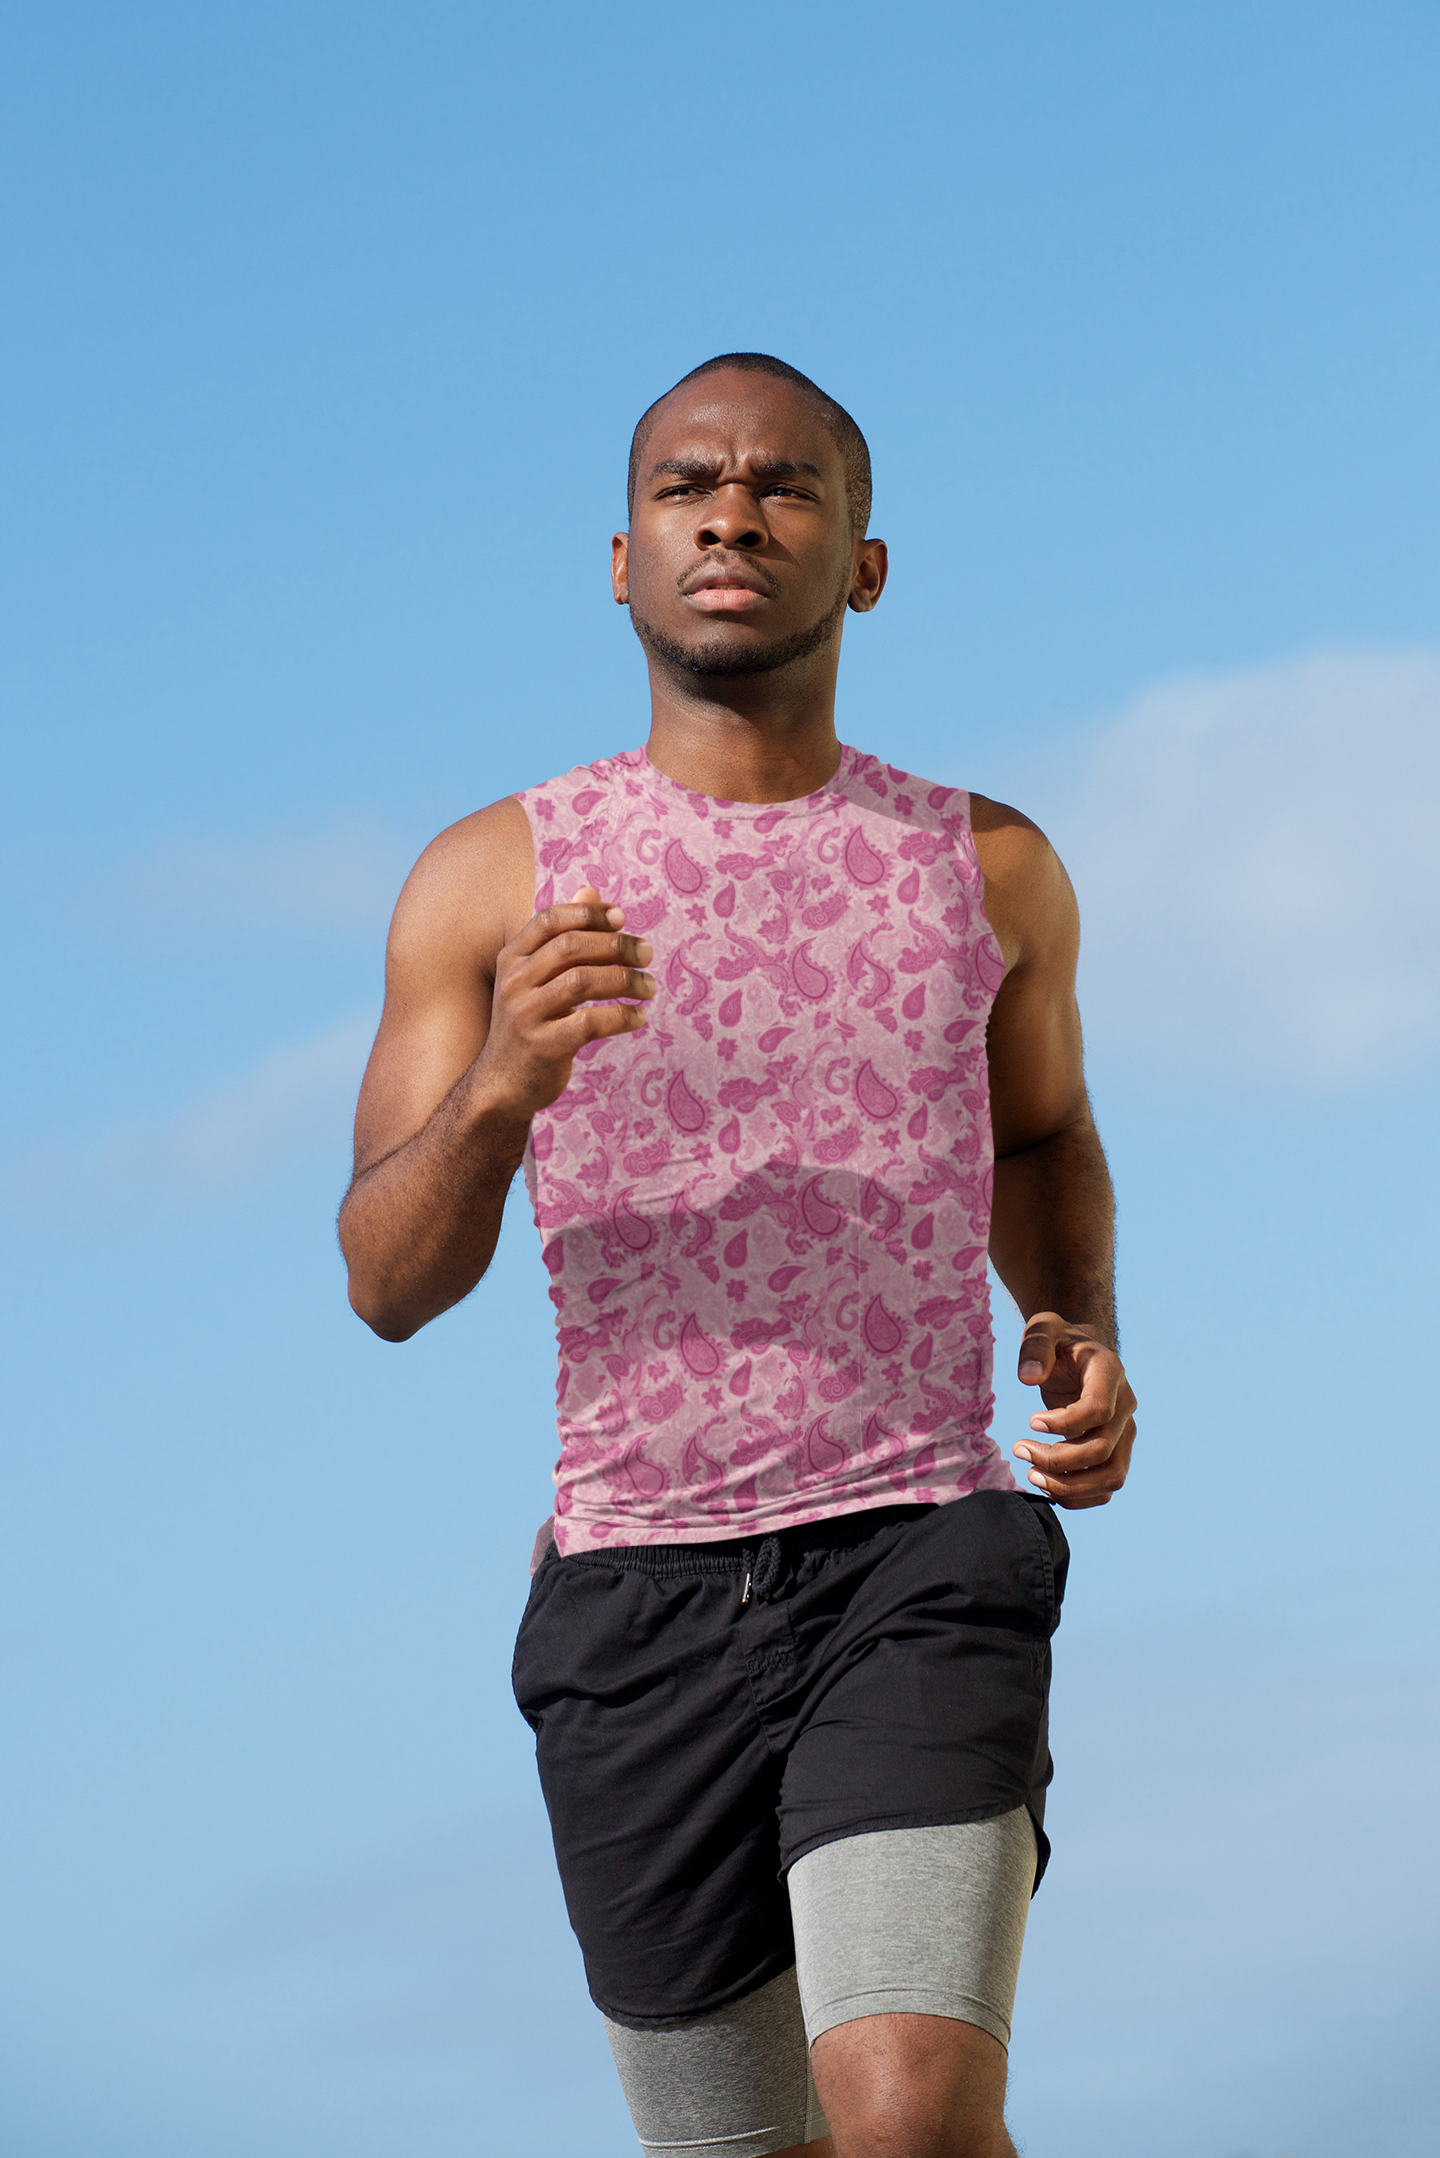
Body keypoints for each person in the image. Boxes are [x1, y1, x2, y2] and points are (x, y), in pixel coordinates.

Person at [339, 352, 1137, 2158]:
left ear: (862, 562)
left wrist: (1075, 1322)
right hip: (633, 1605)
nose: (730, 511)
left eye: (784, 485)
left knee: (913, 2116)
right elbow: (386, 1279)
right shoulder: (490, 880)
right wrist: (503, 1085)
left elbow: (1040, 1134)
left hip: (916, 1550)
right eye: (687, 484)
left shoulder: (988, 865)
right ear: (618, 558)